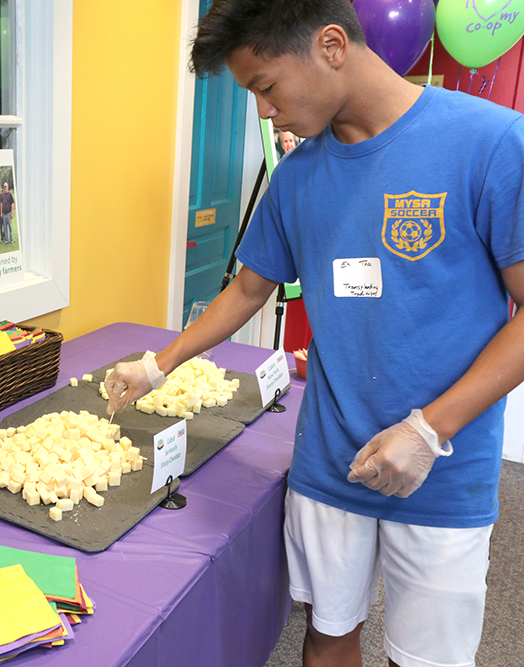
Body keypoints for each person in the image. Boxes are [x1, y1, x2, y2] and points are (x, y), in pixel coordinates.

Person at [105, 2, 524, 666]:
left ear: (331, 45)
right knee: (327, 631)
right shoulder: (298, 175)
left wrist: (428, 429)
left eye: (266, 88)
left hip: (444, 471)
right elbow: (248, 288)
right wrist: (157, 365)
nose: (264, 113)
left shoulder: (493, 142)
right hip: (330, 462)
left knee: (428, 658)